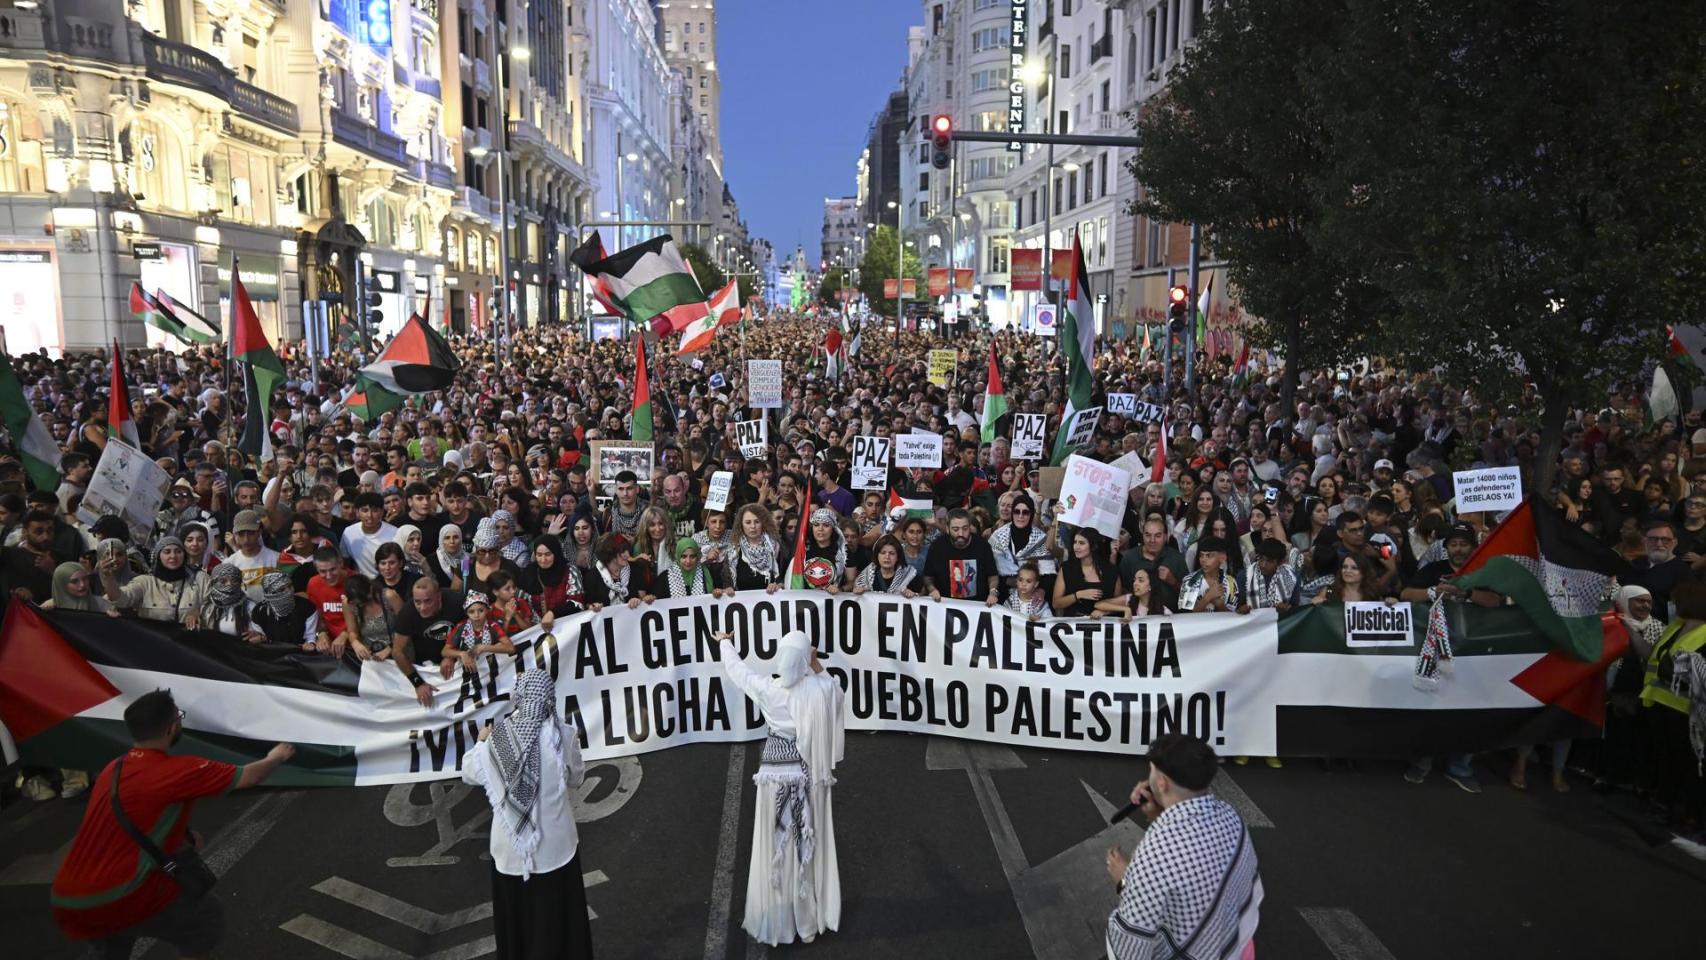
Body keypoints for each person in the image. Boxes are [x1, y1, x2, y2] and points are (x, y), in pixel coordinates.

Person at [51, 689, 295, 959]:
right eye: (179, 716)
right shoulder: (179, 770)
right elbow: (249, 777)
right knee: (206, 919)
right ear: (171, 728)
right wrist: (278, 756)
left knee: (113, 940)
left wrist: (185, 837)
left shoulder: (113, 769)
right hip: (122, 893)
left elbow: (131, 820)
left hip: (70, 898)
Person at [716, 629, 845, 946]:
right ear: (804, 659)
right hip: (808, 777)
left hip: (773, 778)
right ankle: (806, 915)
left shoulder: (769, 690)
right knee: (805, 843)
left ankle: (777, 916)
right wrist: (815, 663)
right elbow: (835, 692)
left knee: (777, 845)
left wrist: (725, 643)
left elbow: (738, 671)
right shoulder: (819, 689)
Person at [462, 671, 593, 959]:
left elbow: (469, 771)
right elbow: (576, 778)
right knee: (560, 923)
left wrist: (481, 741)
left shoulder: (498, 739)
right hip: (557, 850)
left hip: (510, 856)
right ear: (549, 699)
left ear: (519, 698)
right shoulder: (564, 735)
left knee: (519, 925)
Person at [1104, 733, 1262, 960]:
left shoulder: (1152, 860)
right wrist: (1159, 813)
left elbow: (1132, 944)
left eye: (1151, 771)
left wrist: (1124, 880)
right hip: (1237, 941)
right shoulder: (1232, 816)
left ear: (1161, 783)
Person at [923, 509, 999, 602]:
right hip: (945, 606)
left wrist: (993, 591)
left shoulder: (982, 546)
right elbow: (928, 576)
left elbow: (992, 574)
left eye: (965, 528)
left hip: (977, 606)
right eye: (955, 529)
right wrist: (932, 589)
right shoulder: (937, 546)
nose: (961, 534)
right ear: (947, 529)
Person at [851, 534, 918, 596]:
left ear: (898, 556)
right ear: (877, 555)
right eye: (883, 553)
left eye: (891, 553)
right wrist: (858, 592)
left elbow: (922, 598)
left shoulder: (910, 575)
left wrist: (912, 594)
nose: (887, 557)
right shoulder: (867, 575)